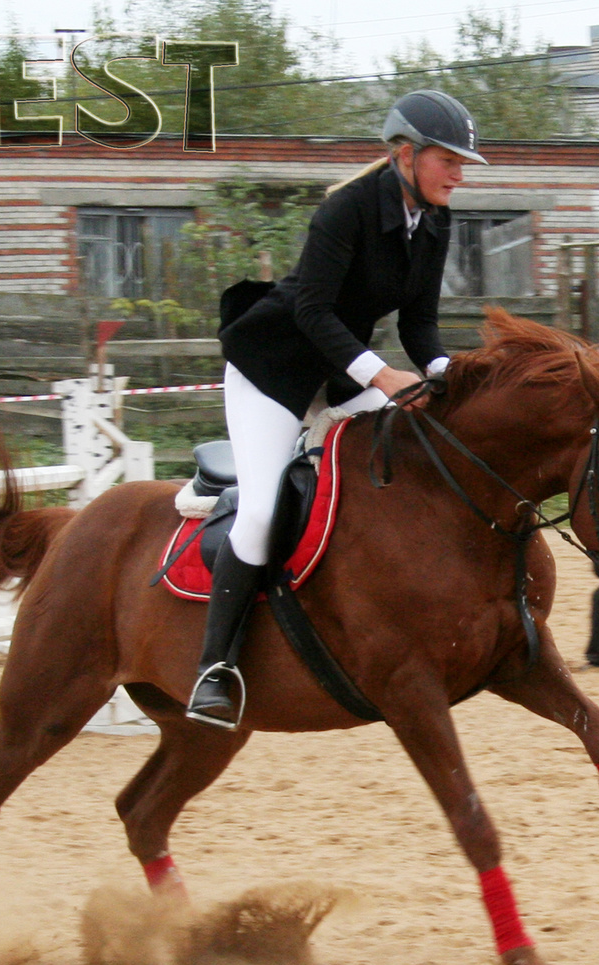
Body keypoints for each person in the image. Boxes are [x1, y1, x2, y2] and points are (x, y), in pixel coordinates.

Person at [186, 89, 487, 730]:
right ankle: (216, 668)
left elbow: (421, 325)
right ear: (407, 155)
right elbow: (312, 312)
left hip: (338, 367)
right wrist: (380, 374)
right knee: (264, 510)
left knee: (414, 451)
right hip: (271, 369)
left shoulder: (435, 219)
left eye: (463, 162)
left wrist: (447, 375)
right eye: (449, 160)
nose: (460, 173)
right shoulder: (345, 209)